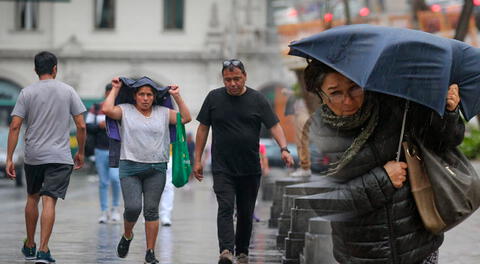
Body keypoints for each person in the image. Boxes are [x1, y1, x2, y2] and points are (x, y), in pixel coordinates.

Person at [303, 59, 464, 264]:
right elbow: (322, 203)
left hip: (418, 245)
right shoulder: (316, 133)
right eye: (335, 92)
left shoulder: (395, 108)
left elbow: (442, 141)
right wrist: (383, 180)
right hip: (360, 254)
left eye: (354, 88)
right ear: (321, 94)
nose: (348, 100)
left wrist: (449, 112)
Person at [193, 59, 294, 264]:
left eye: (236, 79)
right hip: (222, 167)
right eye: (228, 79)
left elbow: (274, 125)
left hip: (249, 167)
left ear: (245, 76)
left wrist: (284, 148)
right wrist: (197, 159)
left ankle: (242, 251)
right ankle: (226, 251)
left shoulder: (258, 99)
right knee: (225, 207)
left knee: (246, 213)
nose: (232, 83)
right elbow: (203, 129)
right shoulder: (214, 98)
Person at [6, 51, 86, 263]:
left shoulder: (26, 93)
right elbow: (81, 124)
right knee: (49, 200)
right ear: (55, 69)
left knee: (33, 197)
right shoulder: (68, 91)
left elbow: (15, 126)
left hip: (34, 155)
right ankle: (43, 250)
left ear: (35, 70)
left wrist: (9, 158)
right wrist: (81, 151)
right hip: (60, 156)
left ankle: (30, 245)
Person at [102, 77, 191, 264]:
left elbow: (186, 118)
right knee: (133, 208)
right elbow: (107, 110)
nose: (145, 98)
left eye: (149, 94)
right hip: (130, 167)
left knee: (151, 211)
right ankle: (127, 235)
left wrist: (177, 96)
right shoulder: (125, 110)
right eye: (141, 94)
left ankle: (150, 253)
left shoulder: (164, 112)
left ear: (154, 97)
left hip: (156, 167)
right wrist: (116, 89)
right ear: (135, 96)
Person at [86, 84, 121, 224]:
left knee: (115, 179)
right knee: (103, 182)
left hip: (116, 149)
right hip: (100, 149)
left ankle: (116, 208)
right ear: (106, 93)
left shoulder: (120, 108)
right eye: (109, 93)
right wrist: (99, 126)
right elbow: (87, 126)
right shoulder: (96, 108)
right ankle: (104, 211)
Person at [284, 86, 312, 177]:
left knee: (302, 141)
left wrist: (290, 92)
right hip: (299, 112)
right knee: (299, 141)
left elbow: (304, 92)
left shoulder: (306, 80)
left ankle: (305, 168)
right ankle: (304, 167)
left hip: (303, 112)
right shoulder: (300, 82)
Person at [159, 153, 174, 227]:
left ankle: (166, 215)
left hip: (169, 154)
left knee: (168, 187)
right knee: (149, 184)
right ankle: (148, 213)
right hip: (149, 154)